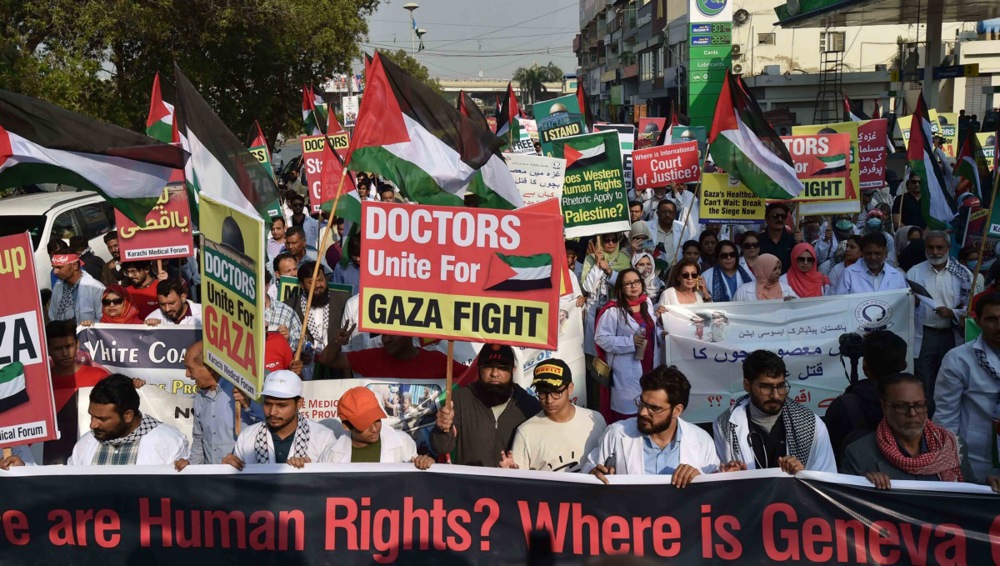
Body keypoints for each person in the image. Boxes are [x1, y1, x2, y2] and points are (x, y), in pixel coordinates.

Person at [583, 366, 720, 487]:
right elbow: (589, 470)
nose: (642, 412)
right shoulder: (616, 434)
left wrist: (699, 480)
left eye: (654, 408)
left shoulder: (702, 441)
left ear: (677, 410)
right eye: (642, 403)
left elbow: (714, 490)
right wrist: (592, 474)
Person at [841, 373, 981, 489]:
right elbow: (847, 507)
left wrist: (989, 487)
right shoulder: (859, 454)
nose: (912, 413)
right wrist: (865, 486)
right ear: (884, 407)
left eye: (919, 405)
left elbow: (971, 495)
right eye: (901, 406)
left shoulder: (953, 446)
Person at [714, 350, 837, 474]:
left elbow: (828, 481)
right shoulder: (725, 425)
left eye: (781, 386)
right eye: (766, 387)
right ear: (747, 385)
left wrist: (803, 474)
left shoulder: (811, 424)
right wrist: (730, 474)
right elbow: (721, 482)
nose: (775, 395)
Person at [430, 344, 541, 467]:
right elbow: (442, 447)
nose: (494, 373)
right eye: (488, 366)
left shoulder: (529, 405)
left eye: (502, 367)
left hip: (513, 485)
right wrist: (443, 428)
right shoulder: (459, 399)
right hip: (468, 484)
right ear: (478, 368)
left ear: (513, 370)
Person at [935, 293, 1000, 481]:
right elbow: (946, 415)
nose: (999, 327)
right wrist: (950, 464)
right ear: (977, 321)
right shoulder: (958, 358)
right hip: (975, 458)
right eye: (991, 320)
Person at [173, 342, 264, 468]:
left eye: (190, 368)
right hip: (213, 481)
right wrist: (192, 466)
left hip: (244, 476)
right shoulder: (200, 397)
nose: (187, 374)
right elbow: (199, 440)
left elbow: (268, 426)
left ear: (209, 367)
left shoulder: (243, 388)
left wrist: (248, 404)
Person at [507, 359, 607, 472]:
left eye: (556, 392)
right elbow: (519, 480)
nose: (549, 400)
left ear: (570, 388)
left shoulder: (595, 420)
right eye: (542, 393)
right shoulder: (525, 432)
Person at [825, 331, 910, 461]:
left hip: (856, 475)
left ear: (865, 365)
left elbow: (830, 454)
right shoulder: (920, 404)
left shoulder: (844, 406)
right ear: (904, 365)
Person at [68, 374, 189, 465]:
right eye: (92, 416)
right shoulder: (85, 443)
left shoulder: (169, 442)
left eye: (102, 419)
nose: (93, 425)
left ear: (128, 416)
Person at [908, 231, 975, 397]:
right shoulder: (914, 273)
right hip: (924, 335)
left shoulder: (964, 275)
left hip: (951, 335)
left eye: (940, 247)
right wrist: (912, 303)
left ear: (948, 248)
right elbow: (904, 306)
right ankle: (927, 418)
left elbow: (971, 308)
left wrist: (952, 313)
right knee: (924, 381)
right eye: (931, 247)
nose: (935, 252)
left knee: (949, 380)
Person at [226, 370, 338, 469]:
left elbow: (331, 483)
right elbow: (237, 483)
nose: (272, 412)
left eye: (282, 405)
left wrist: (309, 472)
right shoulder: (247, 436)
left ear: (299, 403)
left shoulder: (323, 438)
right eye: (268, 404)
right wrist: (227, 469)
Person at [595, 268, 662, 422]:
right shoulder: (613, 310)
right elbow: (601, 338)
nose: (633, 286)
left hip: (650, 365)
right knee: (630, 414)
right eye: (628, 283)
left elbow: (652, 329)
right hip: (626, 370)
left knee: (650, 409)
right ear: (620, 287)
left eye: (636, 282)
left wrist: (661, 335)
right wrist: (629, 342)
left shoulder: (646, 302)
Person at [45, 319, 112, 464]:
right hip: (49, 457)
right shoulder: (42, 382)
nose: (64, 353)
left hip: (92, 453)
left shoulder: (99, 376)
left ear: (77, 344)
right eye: (58, 349)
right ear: (48, 349)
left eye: (68, 346)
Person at [318, 387, 434, 468]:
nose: (374, 429)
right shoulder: (331, 456)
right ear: (346, 426)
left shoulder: (403, 443)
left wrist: (425, 464)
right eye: (364, 424)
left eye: (377, 420)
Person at [319, 326, 470, 381]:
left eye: (392, 334)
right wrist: (336, 343)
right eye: (383, 335)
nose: (386, 339)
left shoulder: (437, 361)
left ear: (409, 334)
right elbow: (327, 360)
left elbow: (469, 378)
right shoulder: (373, 358)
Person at [284, 261, 334, 379]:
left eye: (320, 280)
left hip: (334, 370)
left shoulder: (341, 301)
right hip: (305, 372)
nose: (318, 285)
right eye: (311, 283)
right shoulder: (290, 307)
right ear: (302, 285)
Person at [832, 233, 907, 295]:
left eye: (877, 253)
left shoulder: (897, 276)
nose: (873, 257)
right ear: (862, 253)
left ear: (886, 253)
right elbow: (841, 304)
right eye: (868, 253)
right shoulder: (848, 274)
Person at [49, 251, 105, 323]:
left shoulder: (96, 288)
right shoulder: (58, 286)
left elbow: (102, 320)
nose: (55, 272)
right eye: (54, 267)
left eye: (59, 267)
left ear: (74, 266)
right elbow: (52, 316)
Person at [646, 199, 694, 267]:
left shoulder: (682, 228)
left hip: (675, 272)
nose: (667, 215)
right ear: (657, 213)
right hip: (652, 271)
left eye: (670, 212)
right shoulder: (646, 227)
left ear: (675, 214)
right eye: (664, 212)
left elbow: (688, 250)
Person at [263, 270, 302, 349]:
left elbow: (301, 345)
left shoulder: (286, 312)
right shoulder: (239, 308)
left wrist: (288, 338)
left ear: (267, 285)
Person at [759, 203, 796, 274]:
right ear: (767, 219)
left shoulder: (793, 240)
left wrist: (799, 243)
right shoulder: (758, 241)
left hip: (786, 283)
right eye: (775, 216)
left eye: (783, 216)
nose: (780, 219)